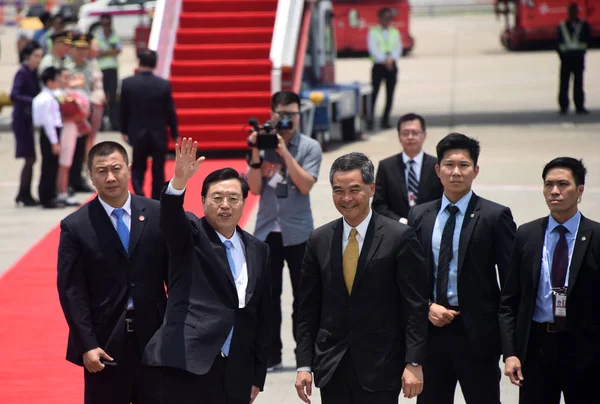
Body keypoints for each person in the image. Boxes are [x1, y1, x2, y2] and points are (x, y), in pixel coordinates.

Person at [143, 138, 271, 404]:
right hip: (189, 361)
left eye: (233, 198)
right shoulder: (191, 233)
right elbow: (170, 219)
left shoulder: (258, 249)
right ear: (202, 201)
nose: (225, 204)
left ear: (244, 202)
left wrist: (257, 374)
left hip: (237, 370)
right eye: (217, 197)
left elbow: (262, 315)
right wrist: (178, 183)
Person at [295, 152, 429, 404]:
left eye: (354, 189)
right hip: (332, 366)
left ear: (371, 189)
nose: (346, 198)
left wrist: (413, 362)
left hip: (381, 366)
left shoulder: (399, 237)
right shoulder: (319, 239)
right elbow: (307, 309)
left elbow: (415, 305)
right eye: (338, 190)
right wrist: (304, 364)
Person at [407, 133, 516, 404]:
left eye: (464, 165)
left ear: (475, 171)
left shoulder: (495, 216)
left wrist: (510, 348)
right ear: (437, 170)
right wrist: (427, 306)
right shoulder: (420, 216)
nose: (456, 172)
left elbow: (512, 285)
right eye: (449, 165)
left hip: (477, 338)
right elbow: (408, 278)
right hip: (431, 335)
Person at [57, 141, 169, 404]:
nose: (110, 177)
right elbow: (72, 291)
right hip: (104, 346)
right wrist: (87, 344)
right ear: (91, 176)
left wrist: (173, 333)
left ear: (129, 170)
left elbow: (175, 277)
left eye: (116, 168)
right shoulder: (76, 226)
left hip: (154, 341)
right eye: (102, 171)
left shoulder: (156, 213)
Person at [499, 157, 600, 404]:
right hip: (537, 349)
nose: (554, 191)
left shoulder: (596, 236)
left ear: (580, 190)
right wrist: (510, 353)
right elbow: (509, 300)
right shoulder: (527, 234)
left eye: (563, 184)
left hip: (585, 351)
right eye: (549, 184)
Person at [246, 90, 322, 371]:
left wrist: (284, 153)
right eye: (282, 114)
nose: (287, 119)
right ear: (272, 115)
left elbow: (305, 185)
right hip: (267, 230)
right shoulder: (260, 143)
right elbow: (253, 188)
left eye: (292, 114)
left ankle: (306, 357)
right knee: (268, 297)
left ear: (299, 117)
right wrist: (256, 152)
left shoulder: (310, 147)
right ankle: (270, 355)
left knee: (304, 298)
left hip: (299, 231)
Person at [120, 49, 179, 200]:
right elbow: (170, 111)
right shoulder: (163, 84)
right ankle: (156, 200)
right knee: (158, 170)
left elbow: (123, 109)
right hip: (158, 134)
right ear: (155, 64)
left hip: (137, 133)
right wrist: (174, 133)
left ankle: (139, 196)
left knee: (138, 167)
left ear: (139, 63)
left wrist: (124, 130)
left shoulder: (128, 83)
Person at [372, 113, 443, 222]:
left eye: (415, 133)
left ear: (424, 135)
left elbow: (444, 200)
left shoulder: (437, 166)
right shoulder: (386, 166)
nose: (410, 137)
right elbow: (378, 205)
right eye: (405, 133)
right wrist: (400, 221)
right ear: (399, 137)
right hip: (396, 230)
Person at [11, 40, 42, 206]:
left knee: (31, 158)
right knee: (29, 157)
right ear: (27, 56)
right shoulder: (22, 72)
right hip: (21, 120)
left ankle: (24, 193)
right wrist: (34, 101)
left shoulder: (33, 72)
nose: (38, 60)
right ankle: (24, 194)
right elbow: (14, 95)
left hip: (29, 119)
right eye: (36, 56)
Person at [65, 32, 96, 195]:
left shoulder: (88, 65)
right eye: (78, 49)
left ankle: (77, 179)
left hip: (85, 112)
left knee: (82, 147)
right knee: (70, 147)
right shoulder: (67, 66)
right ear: (72, 49)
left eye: (84, 49)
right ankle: (68, 181)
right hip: (71, 112)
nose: (81, 52)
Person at [367, 7, 402, 130]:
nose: (387, 20)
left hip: (392, 65)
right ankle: (369, 119)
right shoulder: (373, 31)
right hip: (378, 66)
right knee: (374, 93)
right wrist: (384, 59)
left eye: (389, 18)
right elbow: (373, 48)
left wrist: (391, 59)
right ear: (380, 18)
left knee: (390, 94)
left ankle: (385, 119)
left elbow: (398, 48)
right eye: (385, 18)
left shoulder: (395, 32)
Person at [33, 66, 63, 209]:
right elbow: (48, 122)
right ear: (50, 82)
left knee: (51, 165)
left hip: (49, 133)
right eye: (56, 80)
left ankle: (50, 194)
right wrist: (54, 142)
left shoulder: (47, 96)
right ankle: (47, 197)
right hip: (49, 133)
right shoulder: (46, 99)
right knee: (49, 166)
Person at [557, 3, 590, 115]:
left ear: (577, 12)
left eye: (574, 11)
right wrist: (562, 56)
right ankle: (563, 106)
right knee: (564, 84)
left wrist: (582, 53)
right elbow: (558, 43)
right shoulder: (562, 26)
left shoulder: (583, 25)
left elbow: (587, 40)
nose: (572, 13)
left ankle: (579, 106)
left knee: (578, 84)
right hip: (566, 59)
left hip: (578, 59)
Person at [94, 13, 122, 130]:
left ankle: (114, 123)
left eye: (107, 23)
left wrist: (104, 53)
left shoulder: (115, 36)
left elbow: (118, 51)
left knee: (113, 96)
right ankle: (101, 124)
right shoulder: (97, 37)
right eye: (103, 24)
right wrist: (109, 52)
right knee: (102, 96)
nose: (105, 26)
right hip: (101, 70)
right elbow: (97, 53)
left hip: (113, 69)